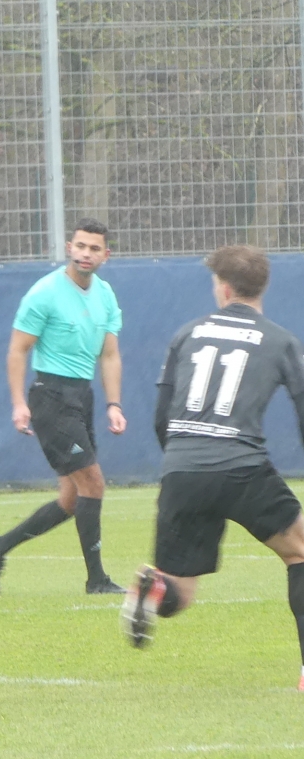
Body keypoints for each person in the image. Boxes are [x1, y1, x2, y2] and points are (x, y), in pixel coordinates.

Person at [123, 247, 304, 680]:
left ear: (223, 288)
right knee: (299, 551)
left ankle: (152, 588)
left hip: (182, 466)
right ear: (262, 287)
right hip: (242, 467)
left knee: (179, 595)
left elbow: (162, 418)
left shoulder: (187, 334)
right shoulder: (280, 340)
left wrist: (182, 464)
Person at [0, 220, 126, 595]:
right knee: (93, 483)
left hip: (82, 397)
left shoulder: (105, 294)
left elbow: (110, 355)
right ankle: (97, 580)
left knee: (71, 499)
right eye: (81, 246)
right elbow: (18, 350)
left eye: (94, 248)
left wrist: (114, 404)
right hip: (51, 398)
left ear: (106, 255)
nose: (86, 254)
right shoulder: (45, 293)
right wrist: (18, 403)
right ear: (69, 247)